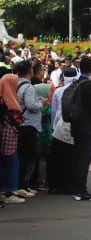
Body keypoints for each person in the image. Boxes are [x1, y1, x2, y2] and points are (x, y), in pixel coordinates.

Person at [70, 57, 91, 201]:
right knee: (84, 159)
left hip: (76, 125)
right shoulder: (89, 85)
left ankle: (76, 187)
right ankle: (81, 190)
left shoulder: (76, 83)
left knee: (77, 158)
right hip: (87, 128)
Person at [15, 60, 47, 198]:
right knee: (27, 157)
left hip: (20, 124)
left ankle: (21, 185)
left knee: (22, 156)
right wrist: (41, 103)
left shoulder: (16, 84)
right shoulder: (28, 87)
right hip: (29, 125)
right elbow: (31, 105)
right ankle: (22, 186)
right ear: (30, 71)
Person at [0, 73, 26, 204]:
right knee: (10, 162)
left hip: (7, 134)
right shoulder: (7, 99)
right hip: (7, 134)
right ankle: (8, 191)